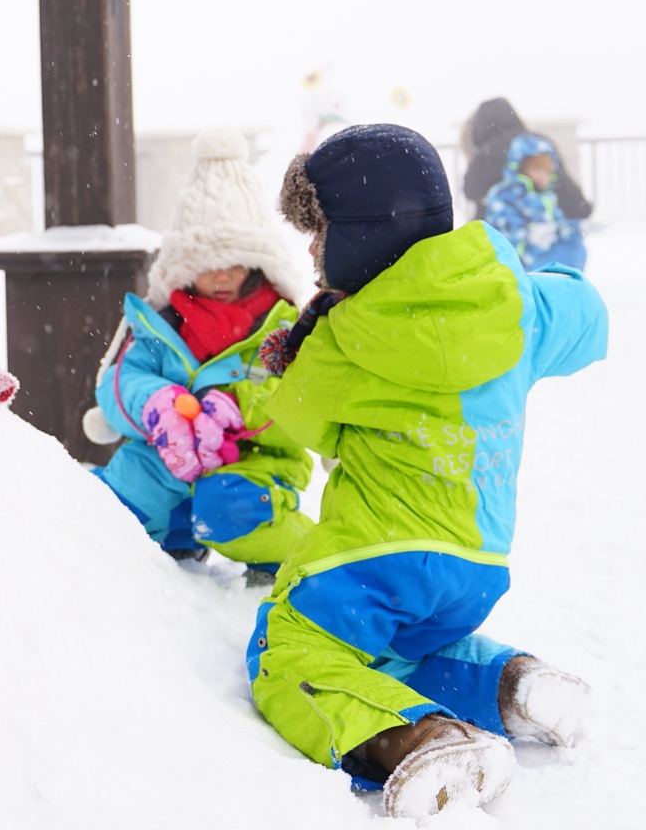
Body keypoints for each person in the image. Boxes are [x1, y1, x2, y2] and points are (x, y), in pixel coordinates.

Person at [247, 124, 607, 819]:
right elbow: (589, 318)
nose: (315, 254)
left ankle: (420, 739)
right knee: (405, 647)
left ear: (359, 237)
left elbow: (297, 420)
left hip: (373, 561)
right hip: (477, 564)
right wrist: (543, 289)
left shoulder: (346, 338)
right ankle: (515, 687)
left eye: (320, 234)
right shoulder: (516, 303)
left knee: (288, 651)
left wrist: (290, 348)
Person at [83, 131, 315, 583]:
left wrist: (239, 409)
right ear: (186, 265)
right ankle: (162, 537)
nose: (223, 275)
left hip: (255, 463)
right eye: (208, 262)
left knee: (228, 504)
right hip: (168, 456)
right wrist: (156, 405)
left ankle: (294, 555)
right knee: (119, 495)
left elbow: (306, 400)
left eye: (236, 260)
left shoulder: (282, 327)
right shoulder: (161, 323)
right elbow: (120, 382)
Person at [460, 97, 592, 221]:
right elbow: (564, 187)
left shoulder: (488, 152)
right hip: (542, 230)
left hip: (500, 235)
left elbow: (470, 190)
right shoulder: (539, 143)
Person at [483, 133, 588, 271]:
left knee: (575, 246)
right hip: (519, 265)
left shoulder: (547, 196)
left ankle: (568, 283)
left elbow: (557, 222)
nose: (542, 176)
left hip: (545, 259)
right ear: (520, 168)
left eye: (546, 171)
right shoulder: (504, 194)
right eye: (535, 169)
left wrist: (572, 228)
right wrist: (530, 234)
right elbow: (503, 230)